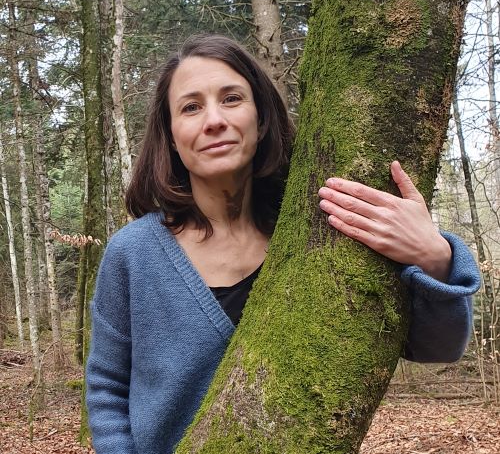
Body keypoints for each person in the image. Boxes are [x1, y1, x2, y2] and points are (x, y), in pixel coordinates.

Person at [86, 34, 480, 454]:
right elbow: (108, 387)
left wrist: (435, 257)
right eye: (191, 107)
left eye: (232, 98)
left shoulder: (319, 235)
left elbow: (438, 348)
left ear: (261, 118)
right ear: (170, 134)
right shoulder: (133, 253)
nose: (214, 120)